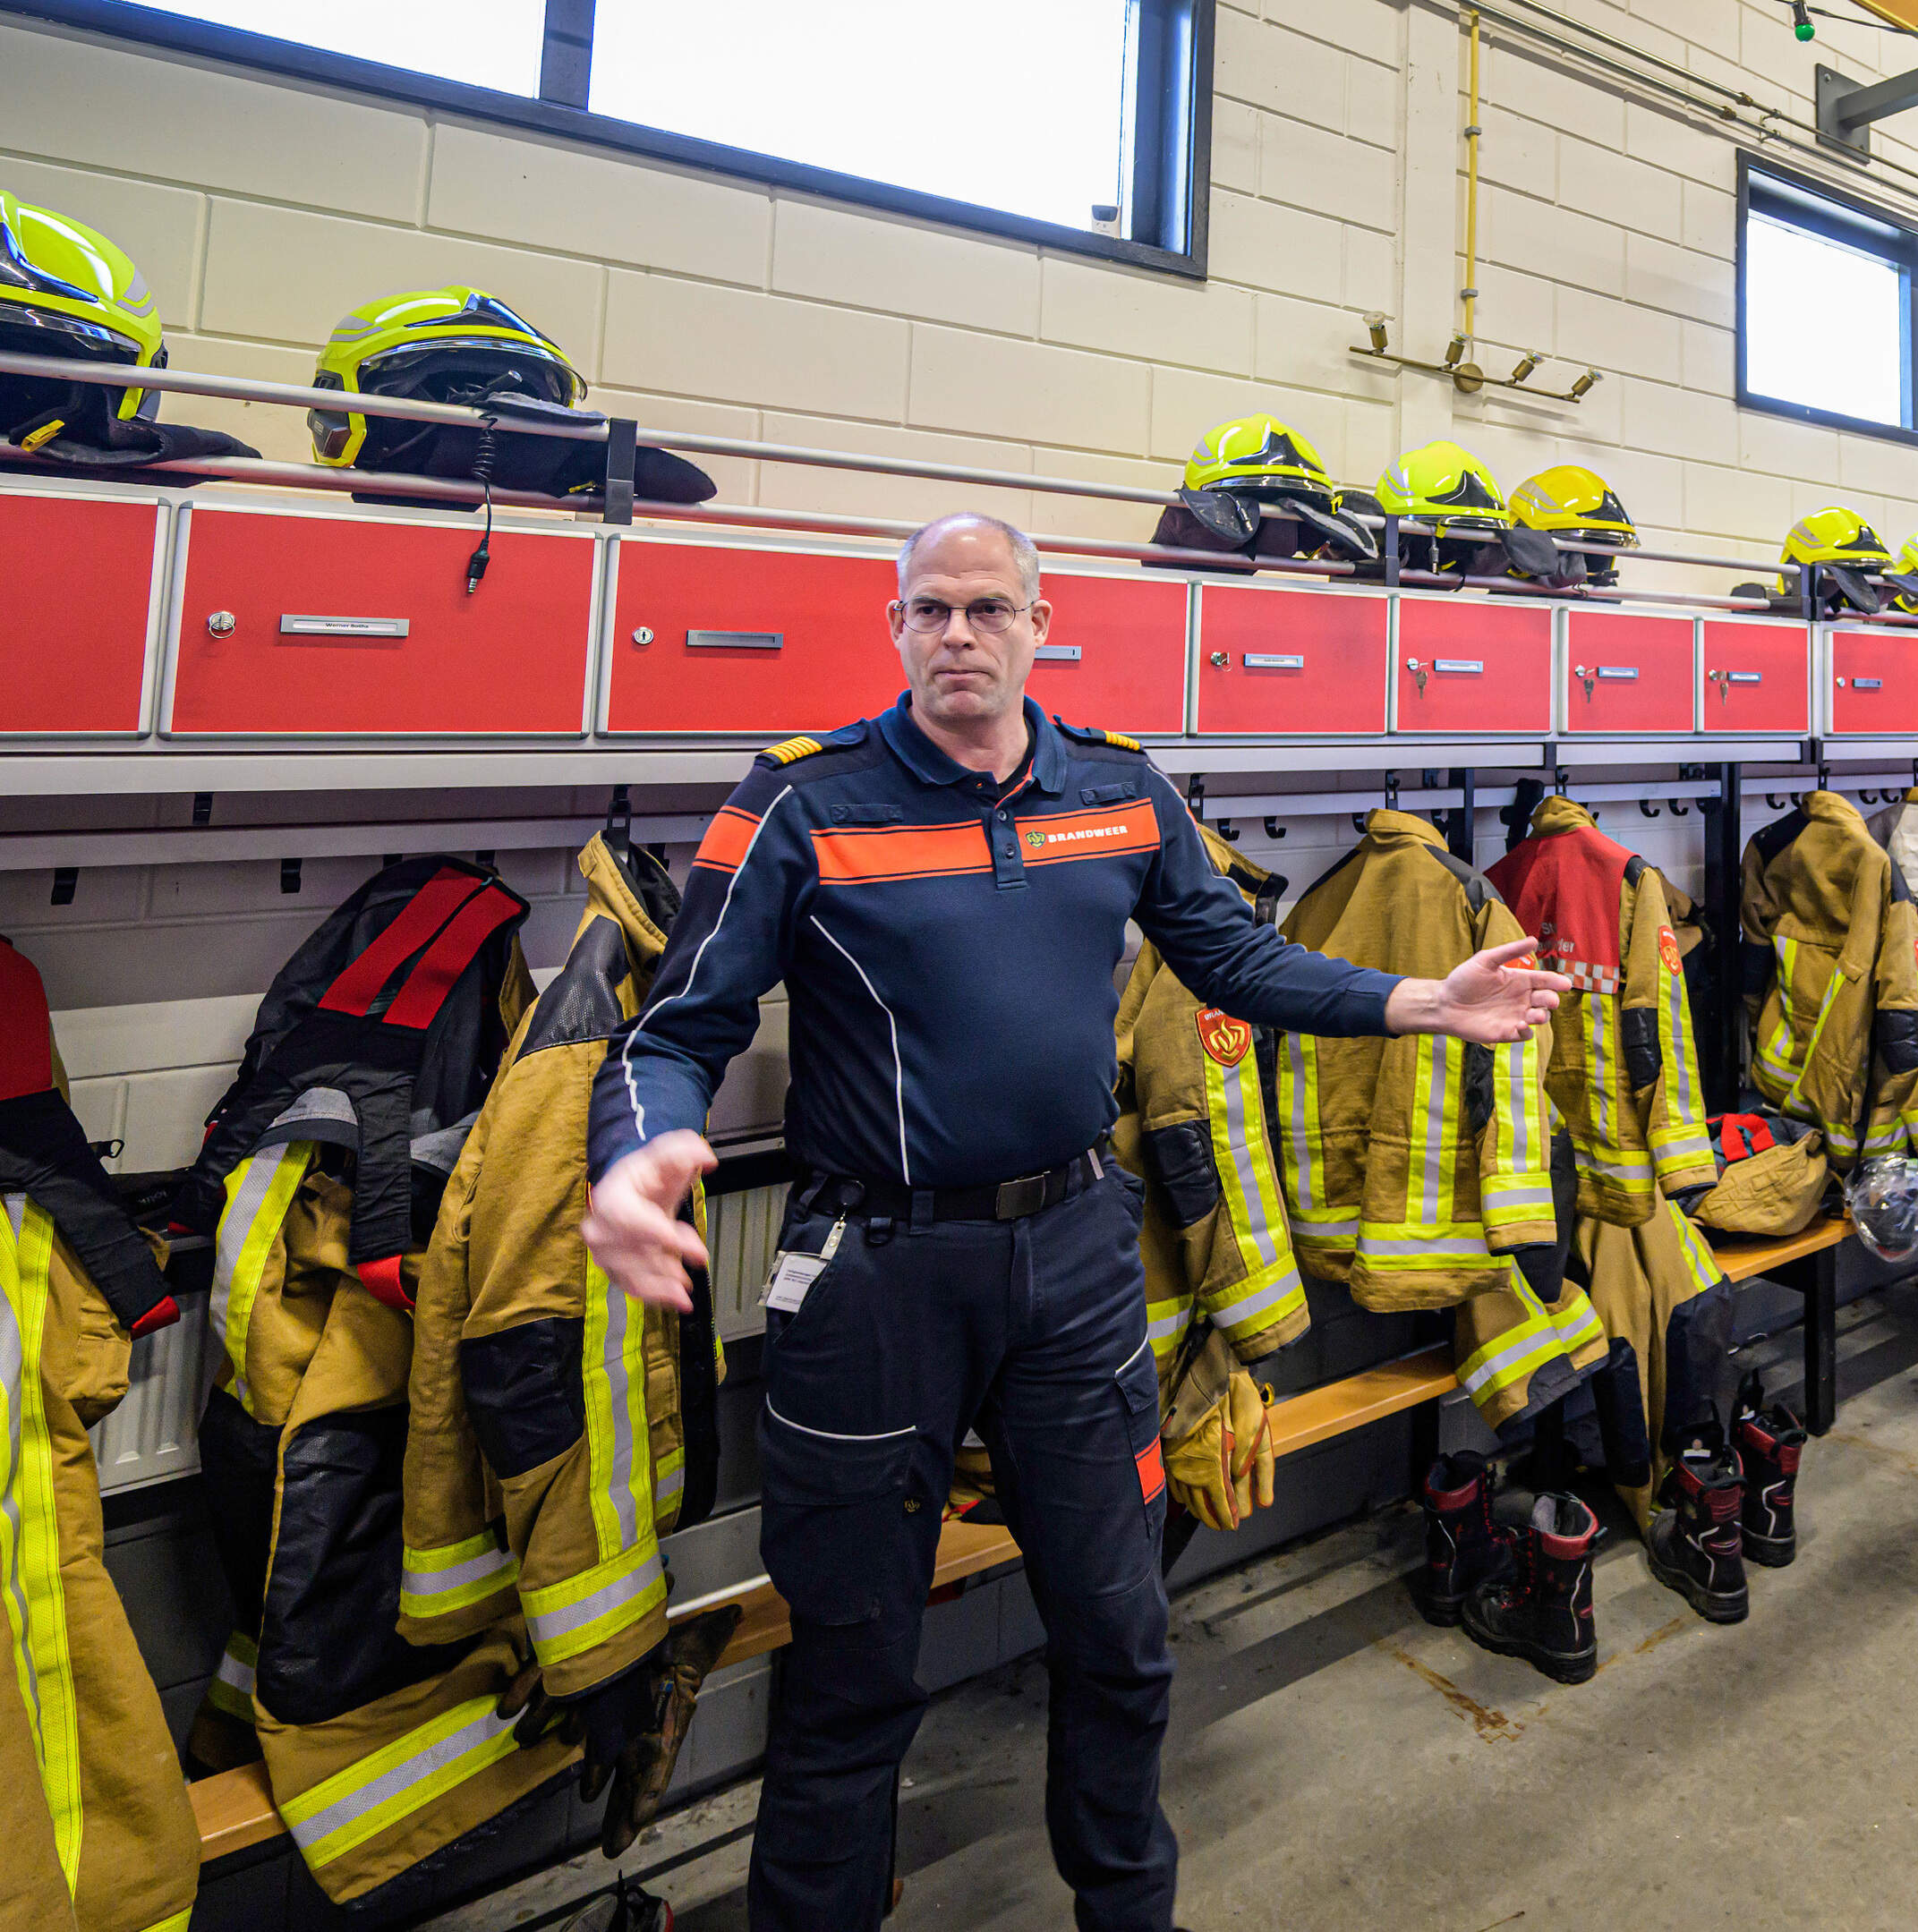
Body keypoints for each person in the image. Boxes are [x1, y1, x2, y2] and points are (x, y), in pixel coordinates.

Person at [580, 511, 1565, 1932]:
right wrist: (634, 1155)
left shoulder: (1119, 790)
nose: (959, 636)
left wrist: (1418, 1000)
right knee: (853, 1671)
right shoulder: (800, 803)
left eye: (988, 609)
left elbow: (1232, 955)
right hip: (875, 1277)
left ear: (1043, 627)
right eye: (931, 611)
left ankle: (1126, 1908)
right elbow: (682, 1023)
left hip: (1078, 1264)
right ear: (897, 629)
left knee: (1120, 1634)